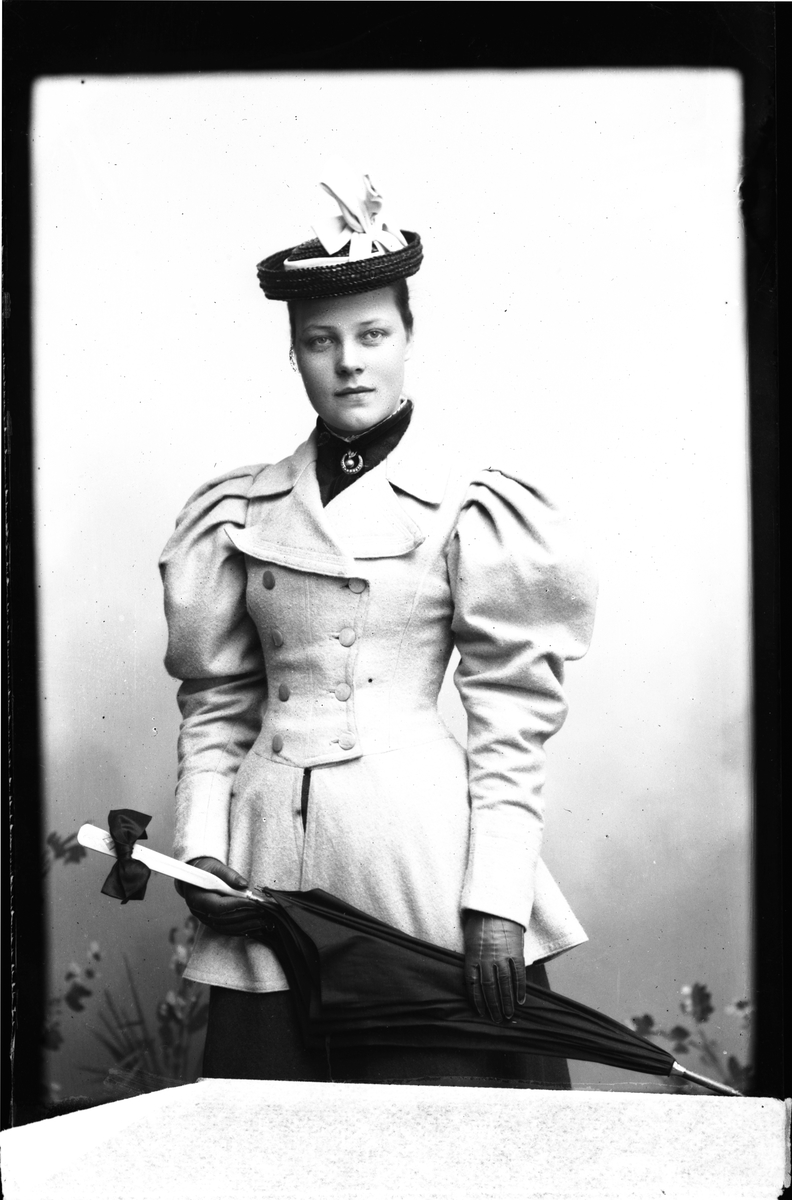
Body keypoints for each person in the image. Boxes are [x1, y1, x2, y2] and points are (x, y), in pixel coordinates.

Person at [159, 175, 597, 1087]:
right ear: (294, 353)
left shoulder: (471, 506)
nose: (349, 363)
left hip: (416, 864)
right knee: (275, 1133)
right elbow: (216, 702)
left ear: (407, 337)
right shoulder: (241, 509)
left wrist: (497, 899)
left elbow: (511, 719)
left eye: (372, 336)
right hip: (268, 862)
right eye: (321, 341)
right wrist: (201, 850)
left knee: (447, 1123)